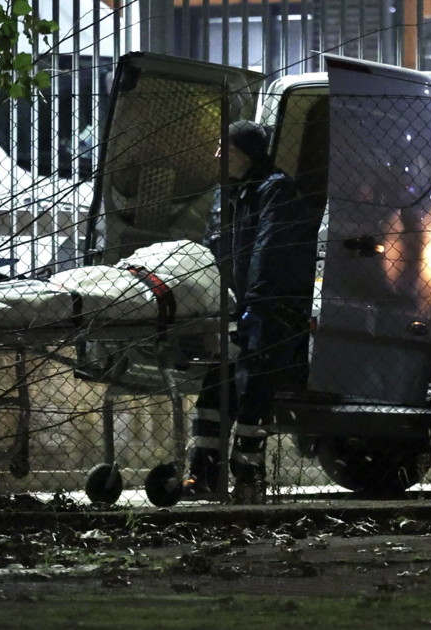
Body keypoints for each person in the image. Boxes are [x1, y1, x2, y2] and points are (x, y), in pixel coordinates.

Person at [182, 120, 321, 503]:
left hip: (269, 309)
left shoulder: (274, 191)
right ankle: (204, 474)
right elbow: (216, 246)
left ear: (243, 152)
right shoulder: (236, 192)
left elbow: (269, 252)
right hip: (240, 306)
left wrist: (255, 306)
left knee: (253, 390)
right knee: (216, 388)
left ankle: (248, 479)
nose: (216, 156)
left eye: (223, 148)